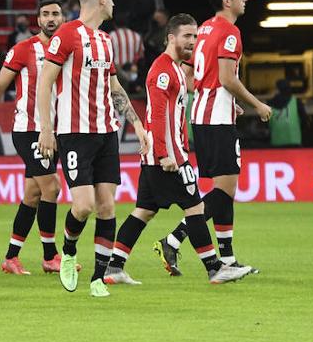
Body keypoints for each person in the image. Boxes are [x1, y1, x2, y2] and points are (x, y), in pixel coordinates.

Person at [102, 15, 253, 286]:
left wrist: (232, 106)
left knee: (144, 211)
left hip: (160, 155)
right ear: (171, 37)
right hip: (168, 157)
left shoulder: (176, 69)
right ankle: (214, 268)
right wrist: (164, 154)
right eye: (186, 36)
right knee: (195, 208)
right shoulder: (163, 71)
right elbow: (157, 116)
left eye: (195, 37)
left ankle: (114, 267)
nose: (192, 41)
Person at [36, 0, 151, 297]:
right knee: (83, 205)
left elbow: (114, 87)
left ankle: (98, 278)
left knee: (107, 206)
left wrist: (138, 124)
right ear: (101, 0)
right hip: (74, 133)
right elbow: (45, 83)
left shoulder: (105, 40)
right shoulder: (67, 34)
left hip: (106, 133)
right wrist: (47, 129)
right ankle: (69, 249)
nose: (114, 3)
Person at [158, 0, 272, 275]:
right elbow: (227, 78)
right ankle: (173, 238)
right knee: (223, 192)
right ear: (227, 1)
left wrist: (215, 95)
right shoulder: (230, 32)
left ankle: (228, 259)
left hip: (202, 115)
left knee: (225, 192)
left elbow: (189, 73)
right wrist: (256, 105)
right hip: (217, 120)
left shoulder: (205, 28)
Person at [0, 0, 66, 275]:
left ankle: (11, 257)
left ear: (63, 17)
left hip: (55, 131)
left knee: (32, 194)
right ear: (38, 19)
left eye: (55, 13)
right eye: (45, 14)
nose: (50, 18)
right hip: (29, 130)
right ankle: (51, 256)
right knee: (51, 188)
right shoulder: (24, 49)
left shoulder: (68, 48)